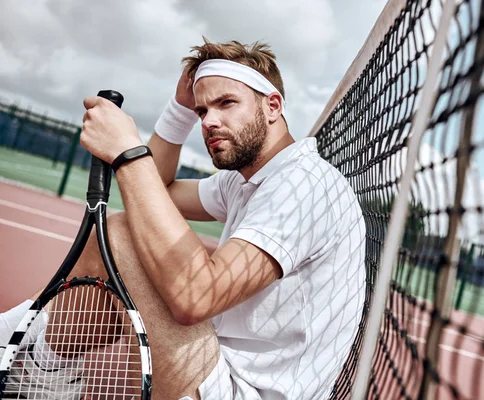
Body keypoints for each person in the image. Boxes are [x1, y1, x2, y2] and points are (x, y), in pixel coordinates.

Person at [0, 38, 366, 399]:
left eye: (226, 103)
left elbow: (196, 295)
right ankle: (42, 369)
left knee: (122, 235)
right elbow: (153, 192)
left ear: (272, 106)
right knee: (125, 228)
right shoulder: (247, 181)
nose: (210, 121)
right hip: (220, 370)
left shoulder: (303, 184)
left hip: (241, 391)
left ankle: (23, 350)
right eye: (202, 111)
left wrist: (128, 153)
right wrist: (178, 108)